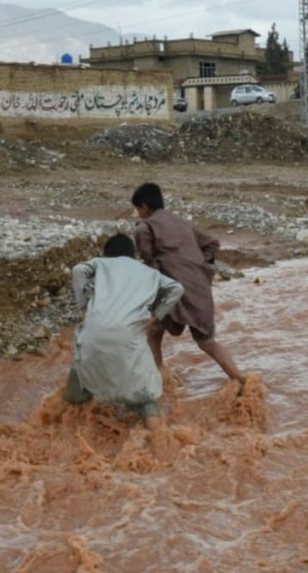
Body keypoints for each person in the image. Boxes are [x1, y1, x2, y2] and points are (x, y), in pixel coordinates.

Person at [65, 234, 184, 431]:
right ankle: (158, 443)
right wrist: (156, 316)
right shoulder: (149, 273)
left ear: (106, 254)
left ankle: (72, 429)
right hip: (130, 334)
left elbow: (78, 270)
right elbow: (176, 288)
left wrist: (83, 303)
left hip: (94, 333)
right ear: (133, 254)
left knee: (81, 371)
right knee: (146, 394)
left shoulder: (101, 265)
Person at [131, 182, 245, 386]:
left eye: (138, 209)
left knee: (154, 330)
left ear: (144, 207)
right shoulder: (183, 223)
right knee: (207, 342)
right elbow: (212, 244)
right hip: (200, 289)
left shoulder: (144, 228)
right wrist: (198, 265)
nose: (138, 214)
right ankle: (242, 380)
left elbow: (149, 266)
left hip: (173, 291)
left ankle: (159, 376)